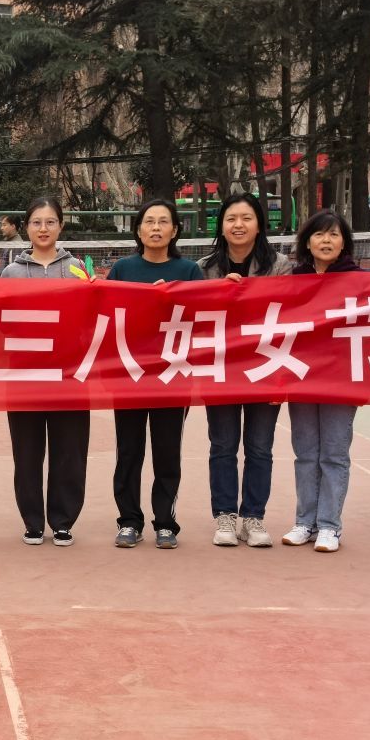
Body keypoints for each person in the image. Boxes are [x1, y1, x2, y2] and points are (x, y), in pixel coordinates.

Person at [106, 199, 203, 547]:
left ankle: (165, 522)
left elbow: (202, 319)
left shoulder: (189, 271)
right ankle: (129, 521)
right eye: (149, 221)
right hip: (129, 375)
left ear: (175, 230)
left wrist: (170, 300)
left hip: (172, 377)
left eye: (164, 222)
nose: (156, 228)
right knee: (129, 452)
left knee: (167, 452)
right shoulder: (122, 269)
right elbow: (106, 315)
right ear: (138, 229)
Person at [0, 196, 91, 545]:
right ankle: (33, 521)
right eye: (36, 222)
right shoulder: (11, 273)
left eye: (50, 222)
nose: (43, 229)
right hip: (25, 378)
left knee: (70, 452)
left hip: (69, 377)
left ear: (61, 226)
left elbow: (90, 317)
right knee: (27, 452)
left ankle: (63, 521)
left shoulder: (78, 269)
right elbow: (1, 321)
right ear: (26, 227)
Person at [200, 193, 281, 548]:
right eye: (231, 218)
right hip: (220, 370)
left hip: (266, 368)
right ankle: (225, 516)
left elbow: (293, 311)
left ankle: (253, 516)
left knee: (260, 447)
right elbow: (189, 313)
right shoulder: (205, 269)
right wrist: (218, 293)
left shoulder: (280, 266)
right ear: (221, 226)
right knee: (222, 445)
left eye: (246, 218)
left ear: (259, 224)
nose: (238, 225)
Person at [281, 209, 361, 553]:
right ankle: (305, 522)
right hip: (301, 377)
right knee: (305, 453)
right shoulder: (292, 279)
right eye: (319, 234)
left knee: (334, 453)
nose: (326, 241)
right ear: (307, 242)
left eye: (333, 234)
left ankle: (329, 525)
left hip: (341, 380)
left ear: (344, 242)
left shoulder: (359, 280)